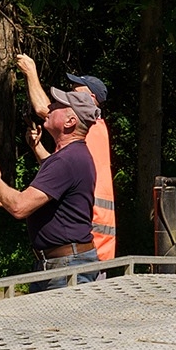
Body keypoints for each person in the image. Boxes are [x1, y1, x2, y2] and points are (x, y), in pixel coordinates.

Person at [0, 87, 99, 277]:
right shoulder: (73, 155)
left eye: (58, 105)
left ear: (70, 122)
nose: (50, 107)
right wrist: (3, 197)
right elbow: (51, 196)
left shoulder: (66, 161)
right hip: (64, 263)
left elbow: (20, 207)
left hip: (65, 267)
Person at [16, 53, 116, 259]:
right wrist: (37, 148)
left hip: (88, 246)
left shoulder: (92, 127)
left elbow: (46, 110)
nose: (68, 95)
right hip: (86, 244)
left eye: (75, 93)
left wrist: (30, 72)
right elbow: (60, 175)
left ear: (91, 100)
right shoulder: (83, 139)